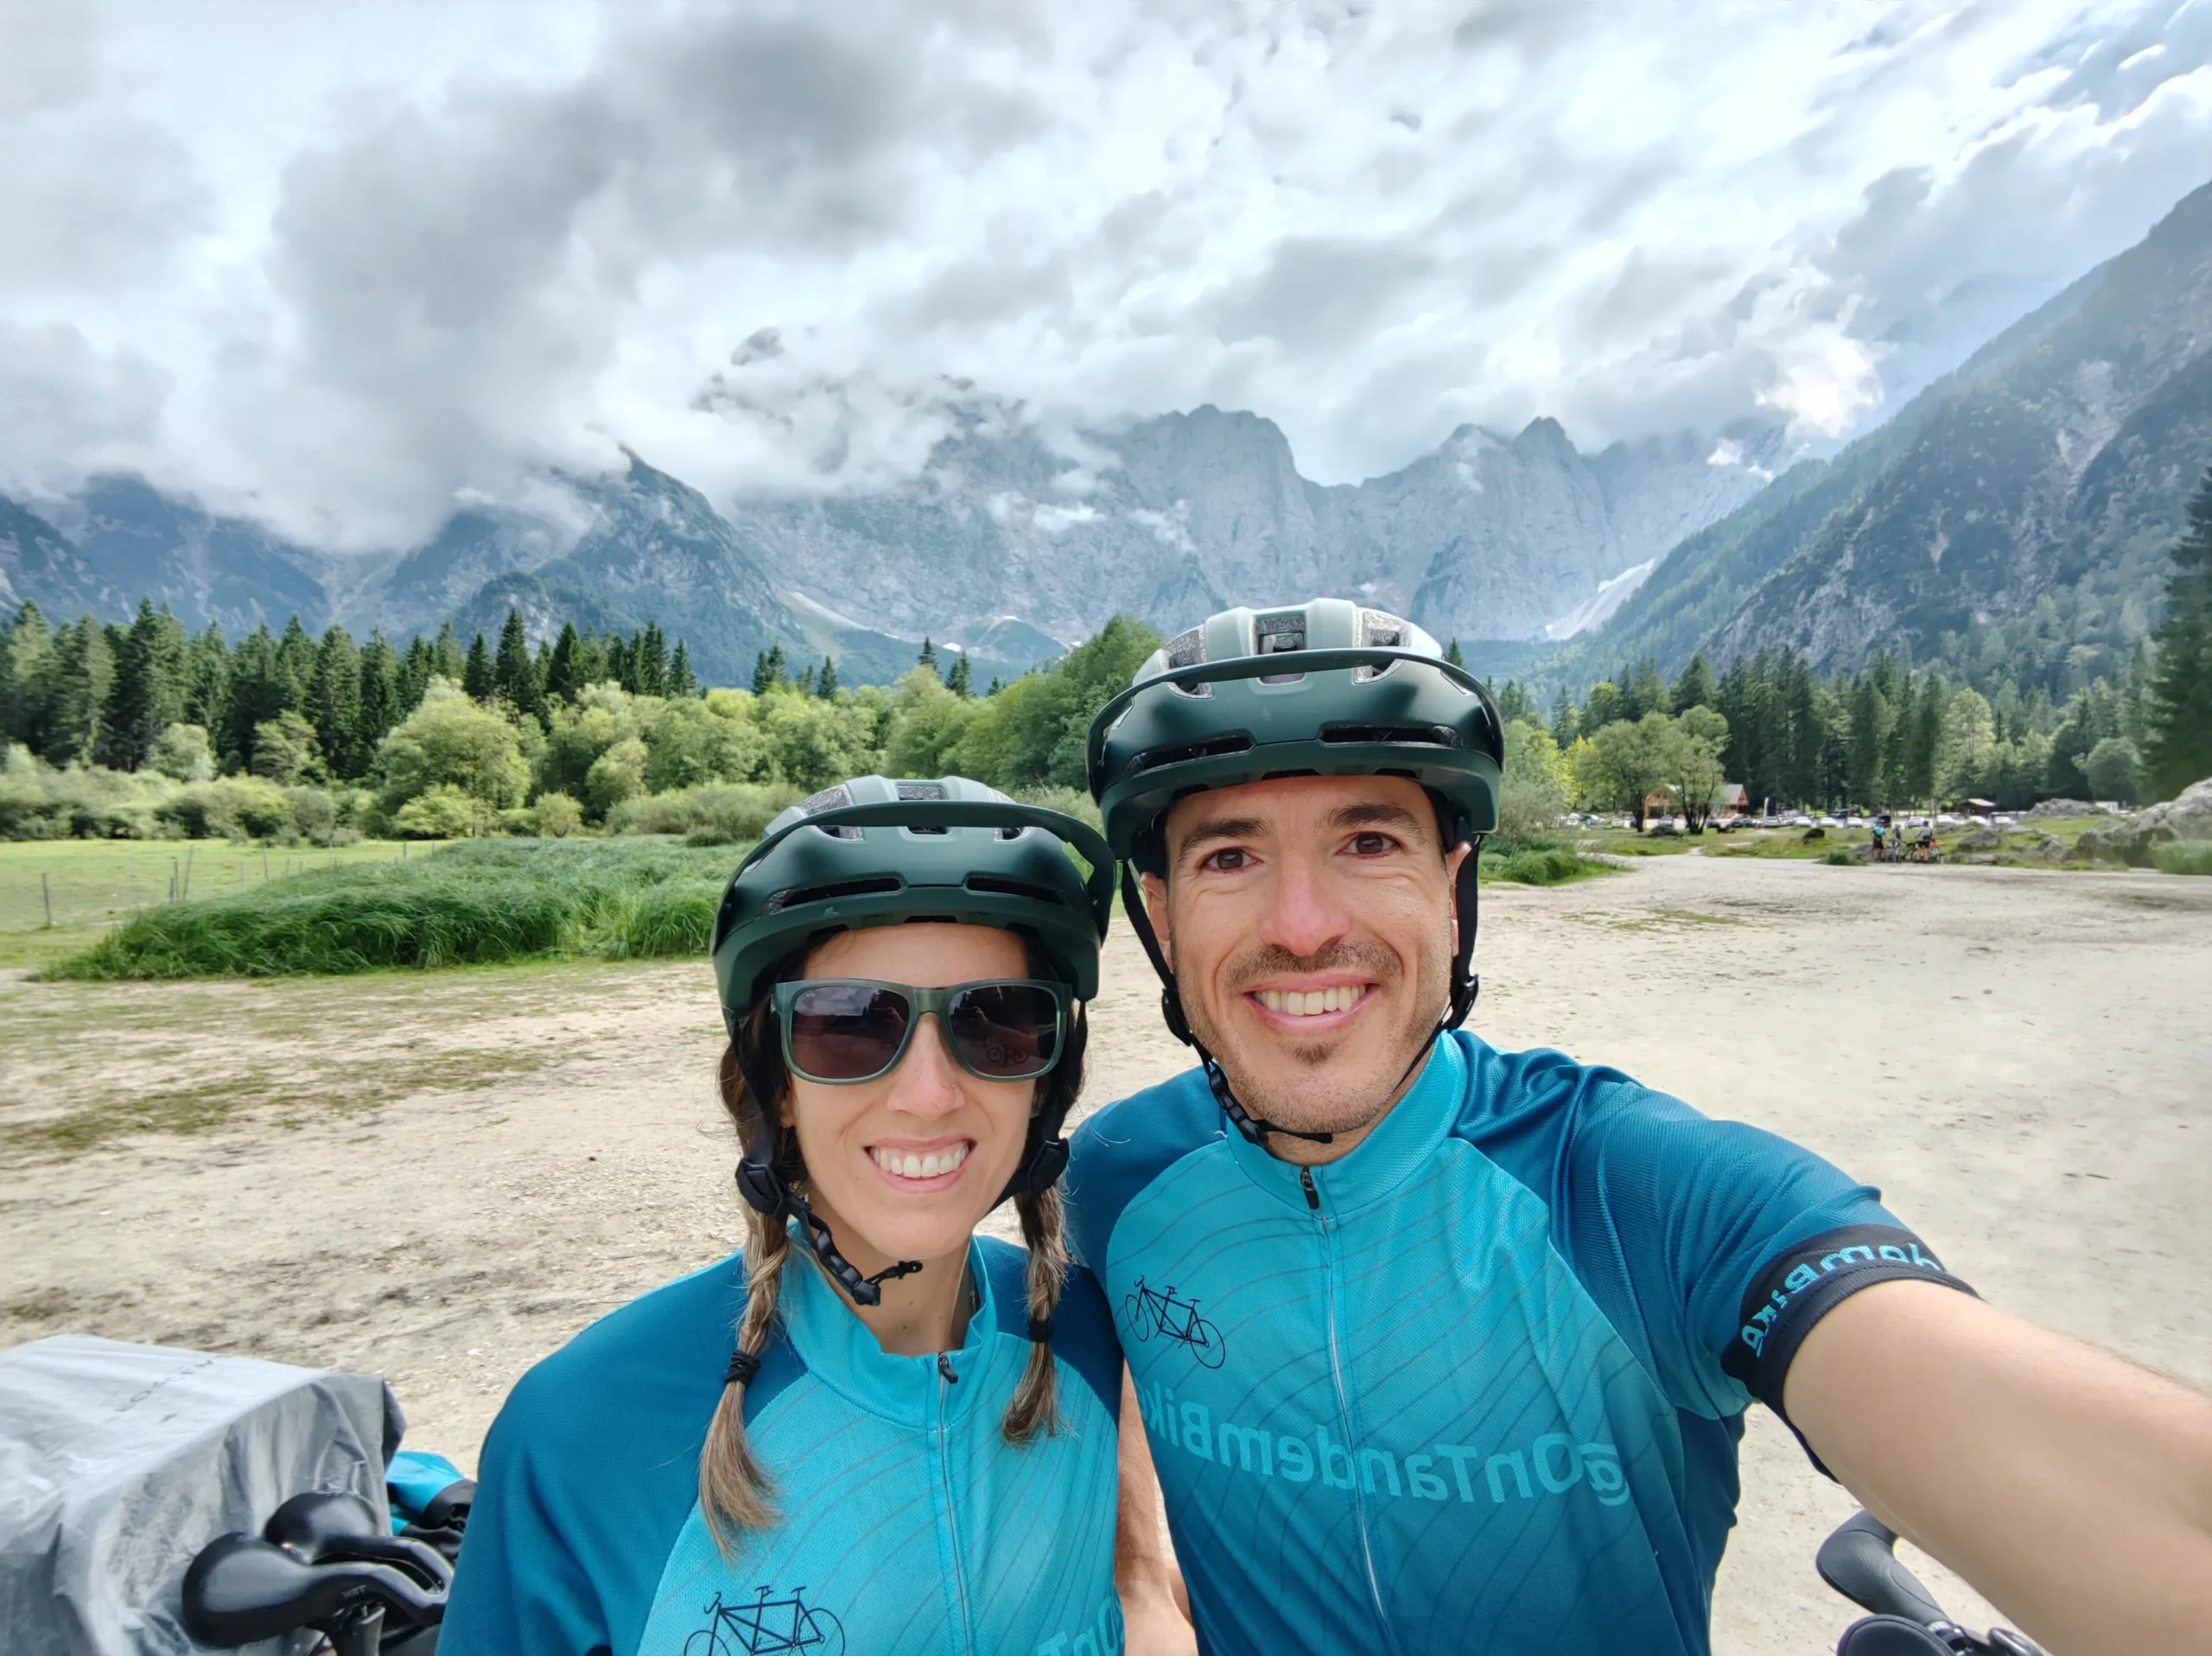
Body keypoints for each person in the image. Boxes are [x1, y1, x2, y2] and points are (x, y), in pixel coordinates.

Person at [1069, 599, 2212, 1655]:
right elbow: (1127, 1546)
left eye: (1370, 842)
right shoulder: (1114, 1180)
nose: (1305, 925)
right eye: (1230, 856)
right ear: (1160, 916)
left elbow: (2080, 1468)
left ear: (1453, 891)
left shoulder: (1633, 1189)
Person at [443, 776, 1128, 1656]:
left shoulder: (1087, 1338)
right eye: (849, 1025)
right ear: (780, 1086)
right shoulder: (581, 1433)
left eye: (998, 1021)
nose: (928, 1095)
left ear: (1044, 1082)